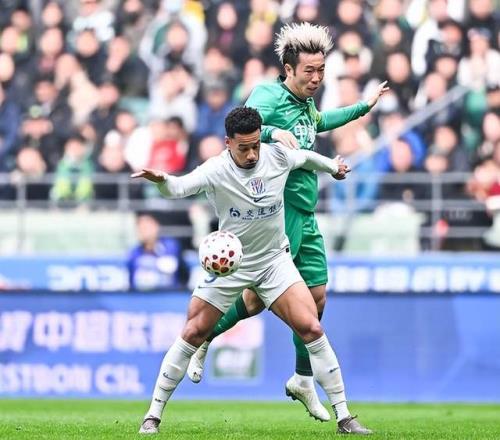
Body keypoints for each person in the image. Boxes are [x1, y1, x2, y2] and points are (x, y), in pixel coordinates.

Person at [187, 22, 387, 429]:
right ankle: (203, 337)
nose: (316, 78)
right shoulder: (267, 95)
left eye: (321, 70)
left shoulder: (306, 104)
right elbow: (242, 126)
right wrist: (273, 132)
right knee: (258, 300)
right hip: (279, 212)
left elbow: (320, 122)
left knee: (318, 297)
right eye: (309, 70)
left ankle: (301, 378)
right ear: (289, 69)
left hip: (307, 212)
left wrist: (362, 108)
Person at [133, 107, 370, 435]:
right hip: (232, 265)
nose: (252, 154)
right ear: (228, 142)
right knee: (193, 332)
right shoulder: (216, 169)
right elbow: (178, 188)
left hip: (274, 262)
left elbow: (304, 157)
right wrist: (162, 181)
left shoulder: (276, 156)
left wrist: (333, 166)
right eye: (244, 148)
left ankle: (344, 417)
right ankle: (152, 415)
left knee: (311, 327)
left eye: (256, 145)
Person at [126, 213, 184, 291]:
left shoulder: (170, 245)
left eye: (146, 227)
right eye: (140, 228)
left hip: (168, 294)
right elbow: (132, 281)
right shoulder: (134, 252)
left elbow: (170, 266)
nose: (143, 231)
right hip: (141, 295)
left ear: (156, 226)